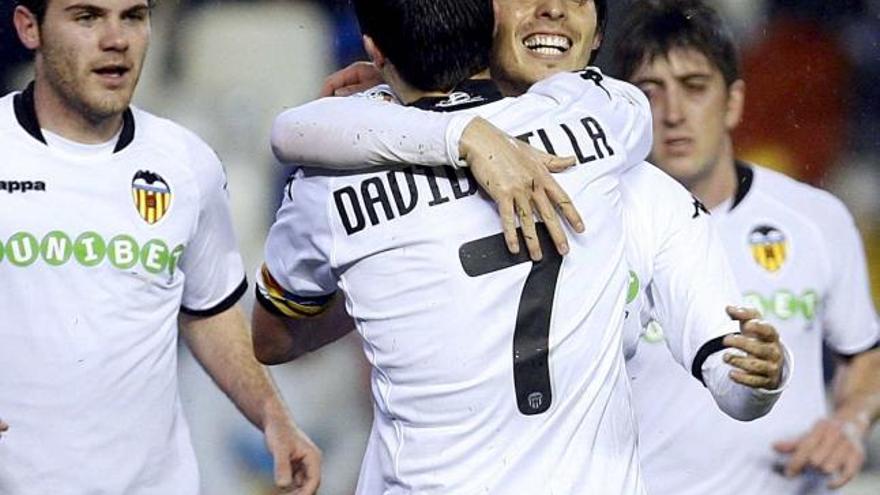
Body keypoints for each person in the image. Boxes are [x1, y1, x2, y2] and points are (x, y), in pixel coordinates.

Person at [253, 0, 789, 492]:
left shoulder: (651, 198)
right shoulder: (606, 119)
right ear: (481, 18)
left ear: (600, 34)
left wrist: (763, 377)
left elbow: (291, 130)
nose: (552, 9)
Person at [0, 1, 320, 493]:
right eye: (87, 18)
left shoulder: (187, 162)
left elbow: (208, 310)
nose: (117, 39)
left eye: (132, 17)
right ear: (29, 28)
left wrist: (274, 416)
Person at [612, 1, 880, 493]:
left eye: (694, 88)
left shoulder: (817, 218)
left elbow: (863, 353)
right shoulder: (599, 227)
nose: (673, 114)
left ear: (733, 102)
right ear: (624, 108)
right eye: (651, 92)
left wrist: (849, 423)